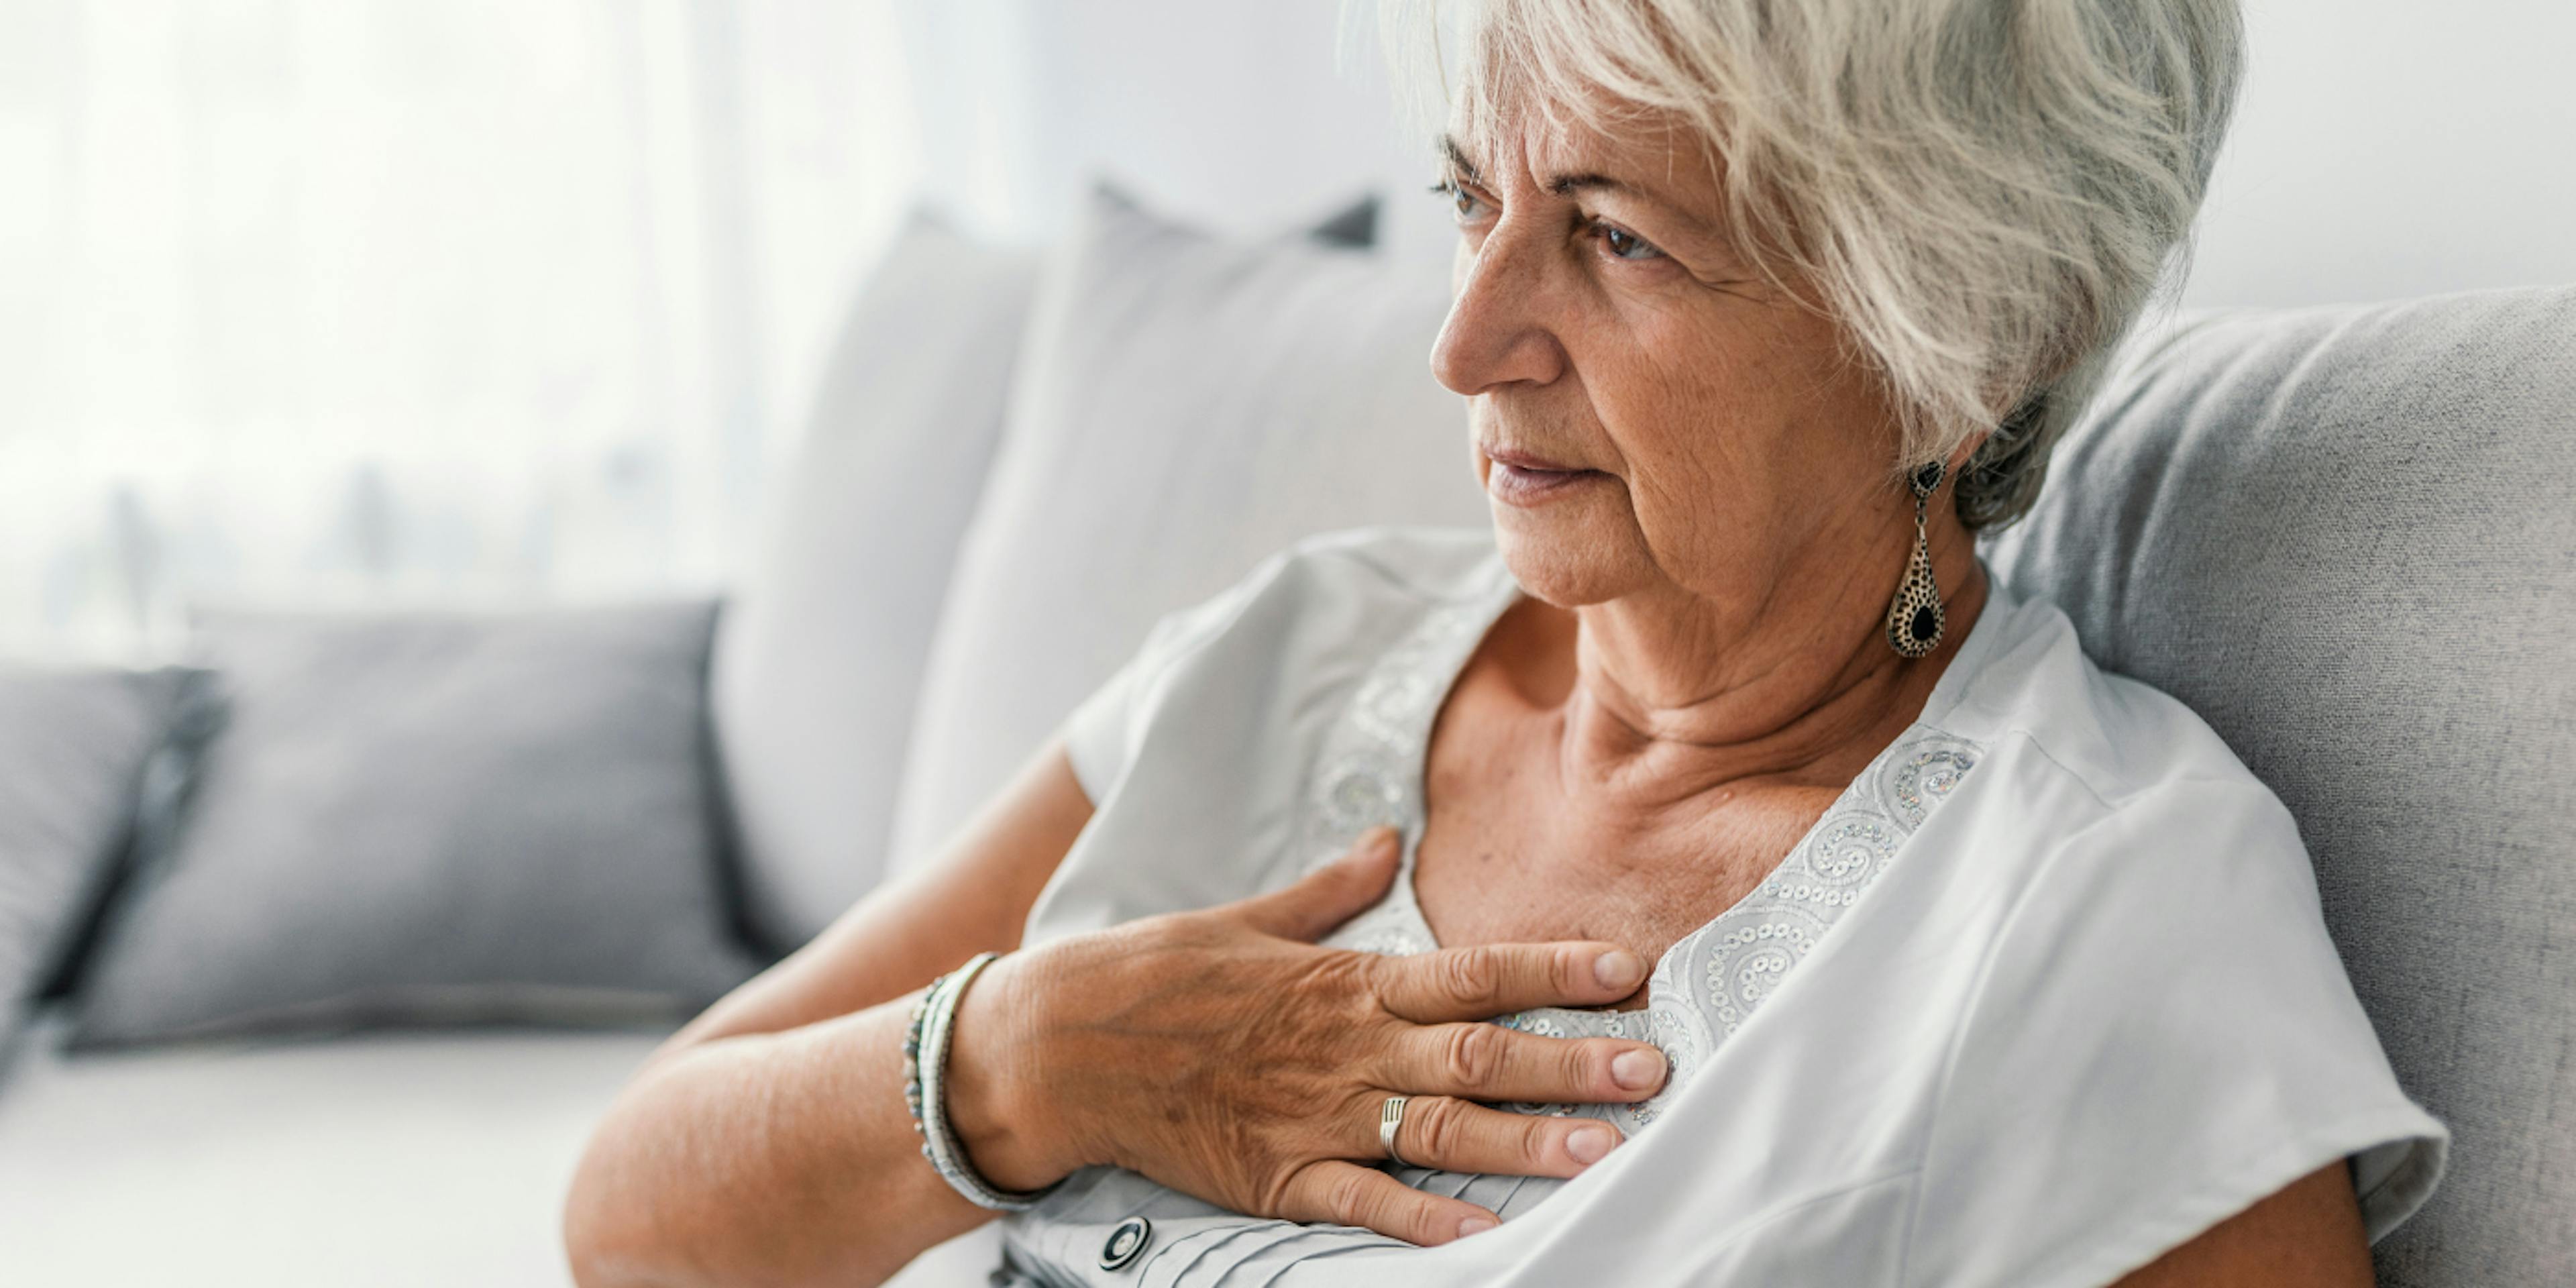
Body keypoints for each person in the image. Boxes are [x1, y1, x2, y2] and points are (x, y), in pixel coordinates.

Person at [565, 1, 2446, 1283]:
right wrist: (1031, 1056)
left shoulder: (2100, 903)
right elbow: (630, 1213)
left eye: (1614, 236)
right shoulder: (1290, 651)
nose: (1463, 341)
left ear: (1967, 333)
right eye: (1475, 198)